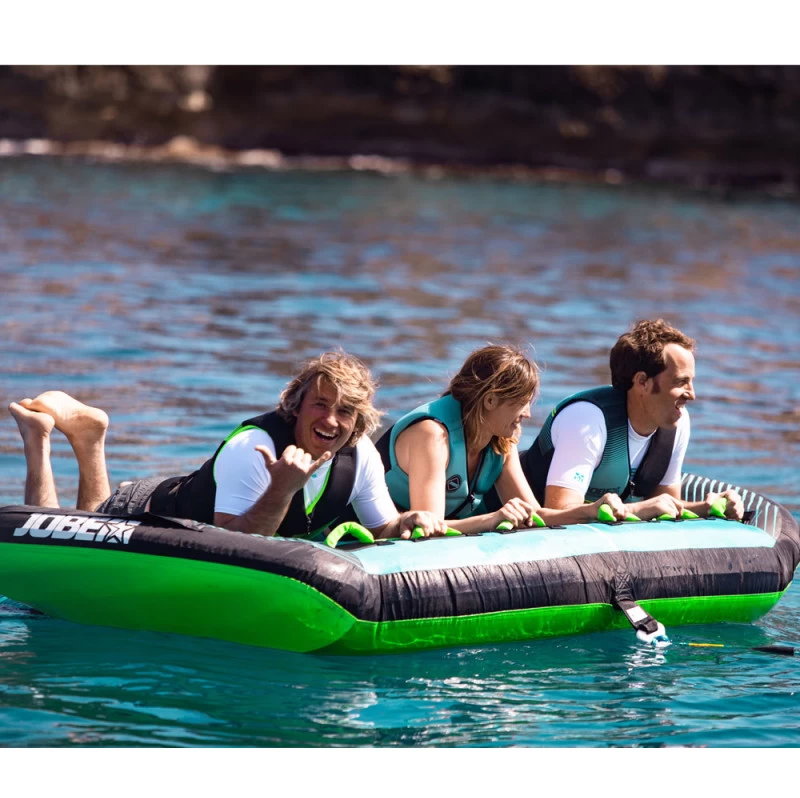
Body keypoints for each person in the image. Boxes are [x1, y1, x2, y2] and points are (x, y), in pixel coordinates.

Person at [8, 351, 447, 541]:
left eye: (345, 412)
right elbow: (234, 542)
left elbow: (381, 528)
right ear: (296, 406)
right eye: (320, 405)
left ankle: (89, 440)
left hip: (183, 493)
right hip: (142, 513)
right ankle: (38, 439)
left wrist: (406, 521)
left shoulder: (360, 455)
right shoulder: (254, 447)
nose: (331, 421)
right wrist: (281, 488)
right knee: (65, 544)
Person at [376, 344, 629, 534]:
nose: (528, 414)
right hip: (374, 536)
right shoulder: (432, 435)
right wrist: (493, 518)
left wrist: (591, 510)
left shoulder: (502, 441)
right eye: (522, 402)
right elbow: (429, 528)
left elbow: (536, 516)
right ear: (490, 400)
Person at [519, 319, 744, 520]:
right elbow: (557, 512)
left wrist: (707, 507)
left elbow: (667, 506)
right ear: (642, 381)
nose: (692, 394)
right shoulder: (587, 420)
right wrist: (635, 510)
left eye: (691, 381)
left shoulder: (677, 422)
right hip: (518, 523)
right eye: (680, 382)